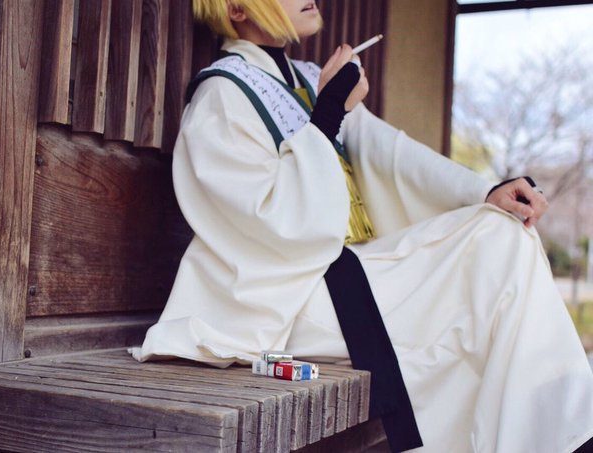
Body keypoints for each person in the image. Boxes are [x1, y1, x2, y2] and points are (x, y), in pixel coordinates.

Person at [128, 1, 593, 451]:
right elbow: (266, 221)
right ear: (237, 9)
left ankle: (563, 433)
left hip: (355, 273)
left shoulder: (310, 80)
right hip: (289, 300)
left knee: (504, 230)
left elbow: (396, 156)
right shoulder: (220, 96)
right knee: (496, 251)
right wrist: (328, 114)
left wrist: (485, 191)